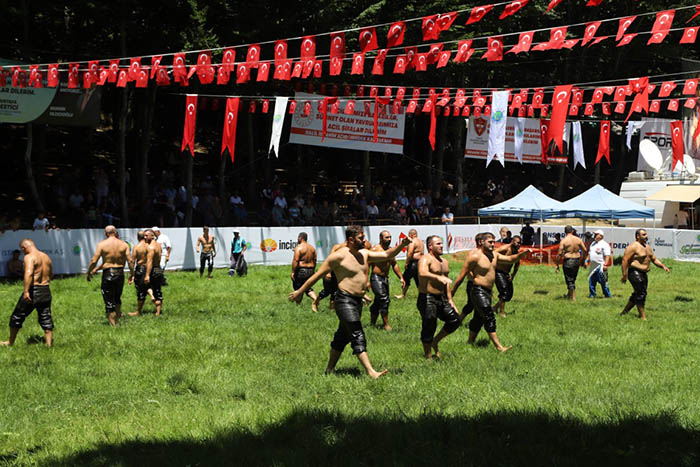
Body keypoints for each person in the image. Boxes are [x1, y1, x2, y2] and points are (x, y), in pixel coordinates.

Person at [288, 225, 412, 379]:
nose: (364, 240)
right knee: (357, 333)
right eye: (361, 238)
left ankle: (329, 370)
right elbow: (317, 275)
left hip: (357, 301)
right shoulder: (338, 256)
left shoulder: (364, 253)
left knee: (342, 336)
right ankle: (371, 372)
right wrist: (300, 291)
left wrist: (402, 244)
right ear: (351, 239)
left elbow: (387, 254)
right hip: (344, 300)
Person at [463, 232, 529, 352]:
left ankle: (470, 341)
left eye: (494, 242)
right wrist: (451, 294)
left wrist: (522, 254)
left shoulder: (494, 254)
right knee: (488, 315)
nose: (493, 244)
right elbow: (463, 274)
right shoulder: (475, 255)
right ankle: (499, 347)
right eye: (490, 242)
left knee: (478, 317)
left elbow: (511, 260)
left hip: (487, 289)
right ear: (481, 242)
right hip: (477, 288)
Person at [1, 239, 54, 347]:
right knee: (45, 316)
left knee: (17, 316)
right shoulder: (46, 256)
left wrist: (26, 291)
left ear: (24, 248)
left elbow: (29, 273)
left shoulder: (29, 257)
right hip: (46, 290)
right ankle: (48, 344)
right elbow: (51, 274)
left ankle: (10, 342)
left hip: (33, 290)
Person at [417, 235, 459, 359]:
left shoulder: (444, 262)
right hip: (427, 297)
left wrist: (450, 299)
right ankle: (428, 355)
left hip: (442, 298)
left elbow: (446, 282)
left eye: (441, 243)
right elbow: (422, 272)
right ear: (430, 246)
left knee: (455, 320)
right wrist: (437, 277)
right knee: (430, 324)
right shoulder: (425, 259)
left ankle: (435, 341)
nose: (441, 246)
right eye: (438, 244)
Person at [87, 225, 133, 326]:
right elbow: (130, 261)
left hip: (108, 273)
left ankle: (113, 326)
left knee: (109, 301)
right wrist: (132, 274)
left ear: (106, 234)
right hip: (120, 273)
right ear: (115, 232)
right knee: (117, 297)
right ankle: (117, 319)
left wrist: (89, 272)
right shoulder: (124, 244)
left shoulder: (102, 244)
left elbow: (94, 260)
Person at [620, 229, 670, 320]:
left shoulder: (647, 247)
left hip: (643, 273)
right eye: (643, 234)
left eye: (646, 234)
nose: (646, 236)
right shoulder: (633, 247)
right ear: (637, 236)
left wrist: (663, 266)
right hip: (634, 272)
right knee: (641, 293)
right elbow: (625, 260)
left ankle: (624, 313)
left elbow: (654, 259)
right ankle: (642, 316)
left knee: (638, 293)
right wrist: (624, 274)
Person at [369, 231, 405, 331]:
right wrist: (365, 280)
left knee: (378, 301)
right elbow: (367, 264)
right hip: (376, 278)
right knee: (384, 300)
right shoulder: (375, 249)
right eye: (386, 237)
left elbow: (394, 264)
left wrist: (401, 277)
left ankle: (372, 323)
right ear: (381, 238)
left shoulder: (390, 250)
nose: (389, 239)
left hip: (385, 279)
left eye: (390, 237)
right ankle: (386, 325)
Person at [451, 233, 485, 323]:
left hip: (482, 284)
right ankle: (458, 320)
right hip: (473, 283)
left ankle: (478, 323)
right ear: (480, 241)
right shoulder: (472, 253)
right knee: (471, 305)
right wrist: (474, 278)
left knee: (481, 305)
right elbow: (467, 269)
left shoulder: (486, 253)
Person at [555, 225, 588, 302]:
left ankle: (573, 298)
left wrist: (557, 264)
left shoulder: (564, 241)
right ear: (572, 231)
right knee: (573, 278)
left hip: (568, 261)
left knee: (569, 279)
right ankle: (569, 294)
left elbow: (559, 254)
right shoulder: (578, 239)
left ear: (565, 232)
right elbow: (585, 250)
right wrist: (584, 259)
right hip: (577, 260)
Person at [494, 235, 523, 317]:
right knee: (503, 291)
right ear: (512, 241)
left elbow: (517, 265)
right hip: (498, 272)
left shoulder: (516, 252)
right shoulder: (505, 248)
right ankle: (502, 312)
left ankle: (495, 307)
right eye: (517, 242)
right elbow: (493, 253)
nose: (519, 244)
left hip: (506, 274)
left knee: (509, 295)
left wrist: (513, 275)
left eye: (520, 243)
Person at [127, 230, 154, 317]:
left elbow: (132, 261)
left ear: (138, 237)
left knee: (140, 290)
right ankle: (152, 294)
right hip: (150, 268)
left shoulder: (136, 247)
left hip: (141, 269)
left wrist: (132, 274)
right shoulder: (149, 246)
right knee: (148, 285)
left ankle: (138, 311)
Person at [291, 232, 319, 312]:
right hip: (310, 270)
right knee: (307, 287)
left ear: (300, 238)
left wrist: (293, 271)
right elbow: (315, 260)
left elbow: (296, 260)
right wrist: (313, 270)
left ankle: (298, 306)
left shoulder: (298, 248)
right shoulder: (312, 248)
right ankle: (315, 298)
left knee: (298, 288)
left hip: (301, 271)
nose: (297, 239)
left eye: (298, 238)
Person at [313, 242, 344, 311]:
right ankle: (315, 303)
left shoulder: (350, 250)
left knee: (335, 292)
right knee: (327, 291)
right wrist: (328, 273)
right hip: (329, 271)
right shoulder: (337, 247)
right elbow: (330, 260)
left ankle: (331, 310)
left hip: (337, 274)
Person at [395, 229, 424, 299]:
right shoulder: (420, 241)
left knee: (405, 278)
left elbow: (410, 253)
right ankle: (423, 295)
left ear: (411, 235)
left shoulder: (412, 242)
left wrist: (406, 263)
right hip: (420, 262)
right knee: (418, 279)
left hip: (413, 263)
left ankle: (403, 295)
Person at [144, 228, 165, 316]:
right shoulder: (158, 245)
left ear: (152, 236)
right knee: (157, 289)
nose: (145, 237)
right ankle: (158, 311)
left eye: (146, 235)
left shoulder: (151, 247)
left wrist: (147, 275)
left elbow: (149, 262)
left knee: (151, 288)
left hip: (153, 270)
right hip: (158, 269)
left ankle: (157, 312)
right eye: (144, 235)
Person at [588, 230, 612, 298]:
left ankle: (607, 294)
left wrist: (605, 265)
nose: (594, 236)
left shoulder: (605, 244)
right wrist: (586, 260)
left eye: (596, 234)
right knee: (591, 281)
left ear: (601, 236)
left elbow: (607, 256)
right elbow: (590, 253)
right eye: (594, 234)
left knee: (604, 281)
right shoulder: (593, 243)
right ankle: (592, 294)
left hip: (601, 266)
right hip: (593, 266)